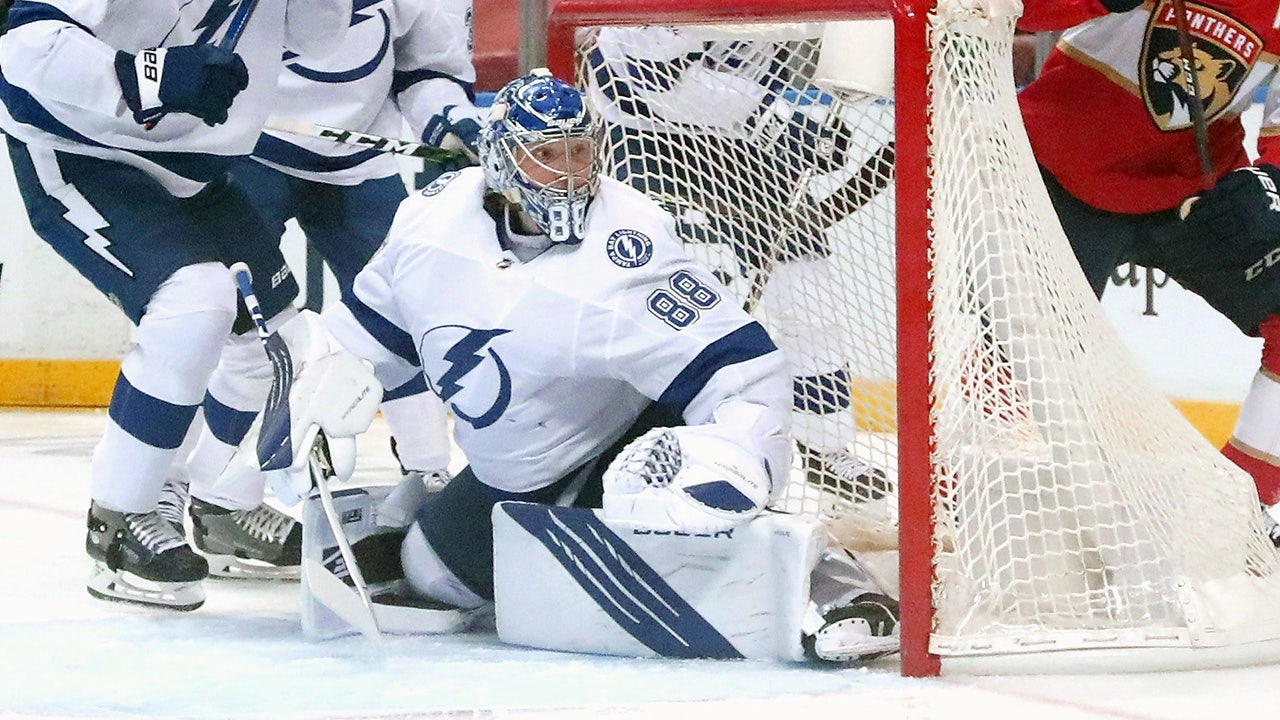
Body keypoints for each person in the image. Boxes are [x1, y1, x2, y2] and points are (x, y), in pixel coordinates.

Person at [292, 71, 899, 662]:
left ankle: (829, 580)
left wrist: (733, 462)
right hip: (517, 469)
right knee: (433, 576)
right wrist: (322, 390)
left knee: (654, 498)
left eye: (579, 151)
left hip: (626, 441)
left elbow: (743, 370)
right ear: (501, 164)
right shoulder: (430, 221)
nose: (568, 173)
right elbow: (373, 335)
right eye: (545, 155)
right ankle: (441, 507)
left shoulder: (628, 248)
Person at [0, 0, 353, 608]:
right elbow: (23, 43)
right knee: (194, 302)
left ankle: (222, 505)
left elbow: (322, 41)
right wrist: (145, 76)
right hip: (79, 149)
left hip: (198, 171)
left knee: (278, 348)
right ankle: (118, 522)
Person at [168, 0, 486, 579]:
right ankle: (182, 494)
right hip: (247, 148)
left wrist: (452, 121)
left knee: (415, 322)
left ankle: (428, 475)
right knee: (220, 328)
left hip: (363, 159)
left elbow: (425, 72)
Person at [584, 25, 896, 509]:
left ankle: (825, 444)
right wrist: (776, 122)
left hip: (738, 139)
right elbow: (652, 72)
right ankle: (606, 437)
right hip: (638, 132)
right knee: (634, 289)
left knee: (805, 284)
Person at [1016, 2, 1280, 539]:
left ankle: (1239, 515)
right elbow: (1018, 13)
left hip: (1196, 192)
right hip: (1060, 169)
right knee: (1019, 352)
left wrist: (1274, 178)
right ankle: (957, 505)